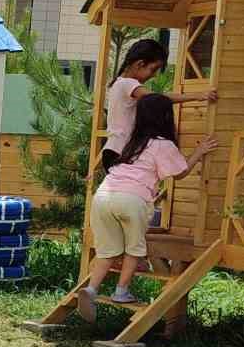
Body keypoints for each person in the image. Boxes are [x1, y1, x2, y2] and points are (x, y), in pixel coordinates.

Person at [79, 94, 217, 319]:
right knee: (135, 248)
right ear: (165, 117)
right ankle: (121, 292)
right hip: (132, 199)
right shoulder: (163, 144)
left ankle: (91, 289)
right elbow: (180, 173)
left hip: (103, 195)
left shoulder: (132, 141)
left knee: (108, 250)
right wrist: (198, 153)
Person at [101, 38, 216, 174]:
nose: (154, 75)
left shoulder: (120, 84)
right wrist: (197, 96)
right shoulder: (127, 84)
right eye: (153, 69)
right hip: (120, 151)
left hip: (115, 150)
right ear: (140, 64)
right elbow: (157, 100)